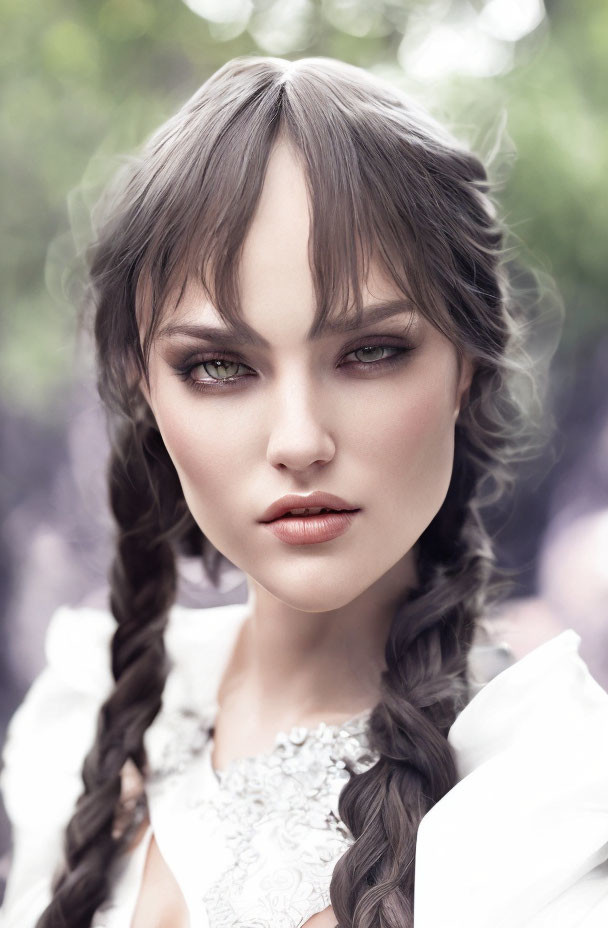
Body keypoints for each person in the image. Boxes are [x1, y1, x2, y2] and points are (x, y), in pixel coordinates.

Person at [1, 54, 607, 928]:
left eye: (369, 352)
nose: (298, 440)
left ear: (464, 368)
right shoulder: (79, 723)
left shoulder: (545, 796)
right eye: (218, 366)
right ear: (147, 391)